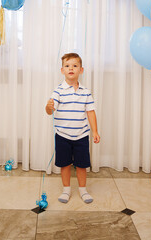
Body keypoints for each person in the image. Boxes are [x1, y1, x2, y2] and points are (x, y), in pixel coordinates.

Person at [45, 53, 100, 204]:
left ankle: (83, 190)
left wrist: (95, 131)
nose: (71, 69)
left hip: (81, 135)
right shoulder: (58, 90)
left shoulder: (86, 91)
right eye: (67, 66)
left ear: (81, 70)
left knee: (82, 165)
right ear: (62, 70)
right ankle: (66, 190)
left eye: (75, 66)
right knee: (65, 164)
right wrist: (48, 107)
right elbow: (50, 110)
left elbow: (90, 112)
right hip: (62, 135)